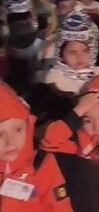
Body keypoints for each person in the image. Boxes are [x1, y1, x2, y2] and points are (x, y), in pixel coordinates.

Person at [41, 72, 99, 211]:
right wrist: (78, 111)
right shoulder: (74, 143)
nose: (96, 126)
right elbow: (48, 143)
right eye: (87, 120)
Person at [0, 82, 73, 211]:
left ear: (28, 126)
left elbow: (62, 208)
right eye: (0, 134)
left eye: (18, 130)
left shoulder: (42, 165)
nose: (10, 142)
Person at [44, 11, 99, 94]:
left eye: (85, 51)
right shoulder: (54, 79)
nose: (80, 57)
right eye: (72, 52)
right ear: (61, 55)